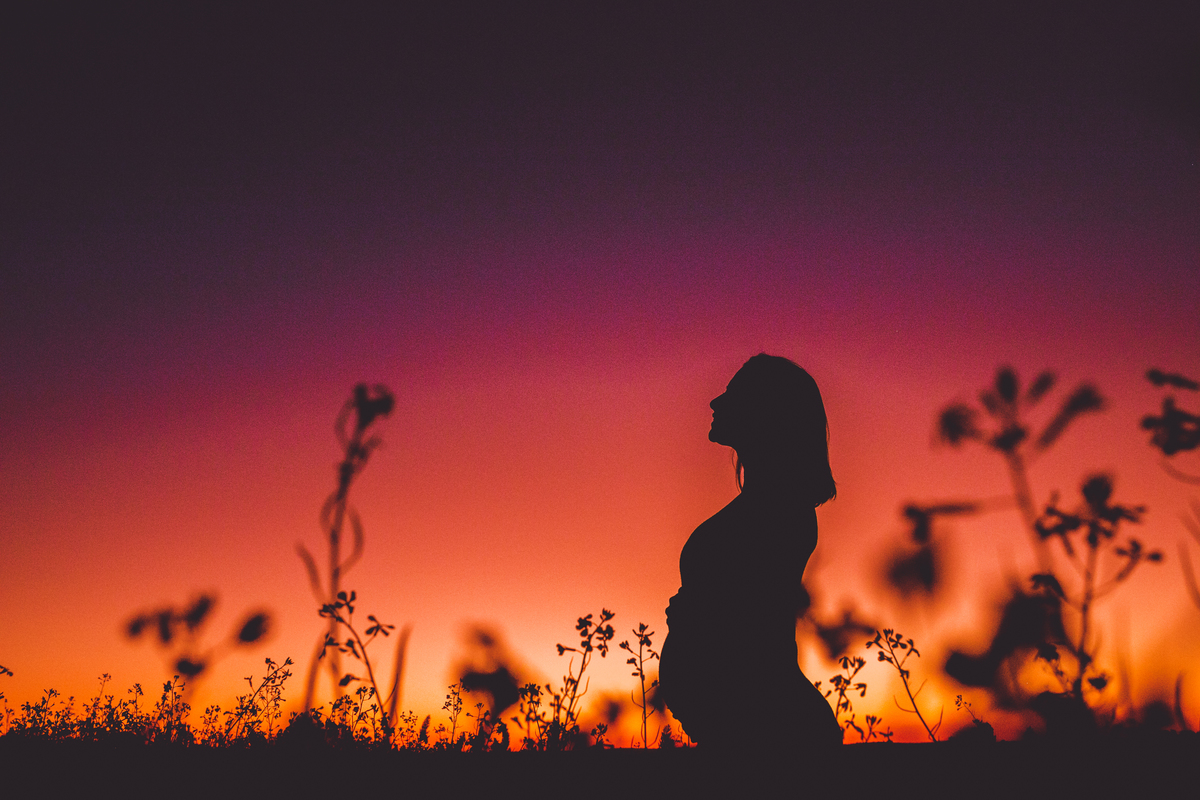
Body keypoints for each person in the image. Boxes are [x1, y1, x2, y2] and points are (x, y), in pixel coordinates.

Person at [659, 354, 842, 751]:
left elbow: (754, 627)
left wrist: (695, 613)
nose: (715, 403)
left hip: (763, 725)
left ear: (767, 413)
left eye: (733, 394)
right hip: (739, 721)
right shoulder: (767, 505)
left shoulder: (782, 511)